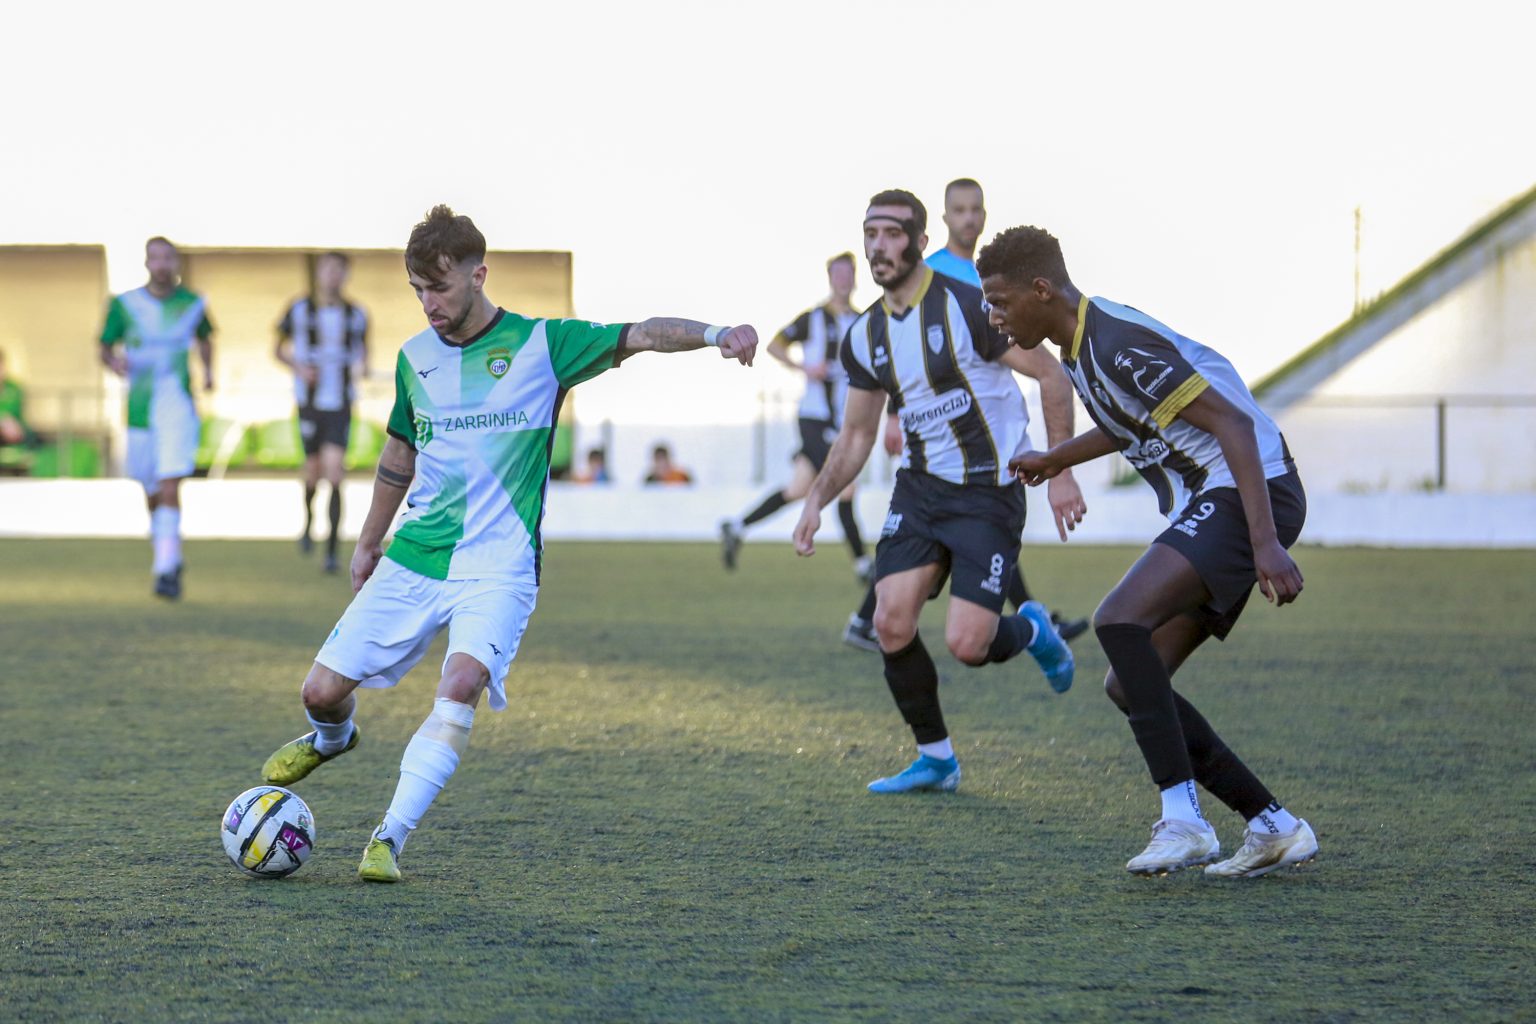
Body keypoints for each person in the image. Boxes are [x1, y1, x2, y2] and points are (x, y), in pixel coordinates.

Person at [260, 206, 758, 882]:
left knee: (461, 682)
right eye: (417, 290)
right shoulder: (414, 359)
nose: (429, 304)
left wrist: (718, 334)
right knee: (320, 691)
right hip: (417, 553)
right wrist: (369, 541)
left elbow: (640, 334)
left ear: (478, 274)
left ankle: (388, 838)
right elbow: (399, 453)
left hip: (501, 564)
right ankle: (332, 737)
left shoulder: (543, 345)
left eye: (439, 287)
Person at [978, 224, 1316, 879]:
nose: (994, 317)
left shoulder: (1114, 342)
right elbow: (1130, 420)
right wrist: (1057, 458)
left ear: (1040, 289)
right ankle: (1272, 825)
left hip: (1250, 490)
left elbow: (1232, 423)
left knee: (1117, 619)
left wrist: (1266, 542)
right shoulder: (1080, 345)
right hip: (1222, 498)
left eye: (999, 301)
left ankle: (1184, 822)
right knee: (1130, 681)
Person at [791, 189, 1085, 795]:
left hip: (988, 493)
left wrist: (1062, 471)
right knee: (889, 623)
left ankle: (1033, 631)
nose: (879, 246)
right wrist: (816, 500)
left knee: (967, 645)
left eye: (893, 233)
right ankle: (936, 760)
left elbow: (1052, 375)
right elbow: (856, 433)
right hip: (920, 492)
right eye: (871, 234)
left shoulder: (969, 306)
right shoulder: (865, 335)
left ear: (921, 242)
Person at [720, 253, 867, 578]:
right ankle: (863, 565)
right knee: (847, 486)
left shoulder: (860, 321)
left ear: (855, 278)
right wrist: (804, 368)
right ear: (830, 279)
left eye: (848, 273)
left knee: (798, 488)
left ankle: (737, 527)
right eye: (838, 274)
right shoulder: (813, 318)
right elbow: (775, 345)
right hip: (814, 417)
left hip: (840, 418)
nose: (843, 279)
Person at [98, 237, 214, 599]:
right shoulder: (125, 304)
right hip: (139, 408)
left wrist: (209, 372)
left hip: (176, 402)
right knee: (149, 486)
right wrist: (114, 362)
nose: (162, 265)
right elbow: (104, 345)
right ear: (147, 263)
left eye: (168, 258)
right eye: (156, 258)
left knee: (169, 482)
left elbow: (206, 338)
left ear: (176, 262)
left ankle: (165, 568)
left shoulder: (192, 303)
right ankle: (166, 548)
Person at [275, 251, 370, 574]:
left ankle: (331, 551)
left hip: (340, 404)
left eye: (339, 270)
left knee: (335, 472)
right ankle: (308, 521)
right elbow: (277, 349)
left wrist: (363, 368)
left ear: (346, 275)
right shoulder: (299, 309)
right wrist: (300, 369)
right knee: (313, 471)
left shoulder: (356, 314)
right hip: (310, 404)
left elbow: (364, 353)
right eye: (328, 269)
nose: (333, 276)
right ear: (319, 273)